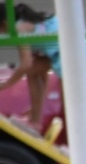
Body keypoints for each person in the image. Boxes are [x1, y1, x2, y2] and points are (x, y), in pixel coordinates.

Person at [0, 2, 61, 131]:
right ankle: (35, 121)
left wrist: (7, 84)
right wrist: (36, 108)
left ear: (4, 23)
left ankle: (35, 122)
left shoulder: (19, 29)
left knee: (32, 70)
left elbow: (26, 64)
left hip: (63, 54)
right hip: (57, 53)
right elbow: (42, 77)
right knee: (35, 69)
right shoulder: (26, 24)